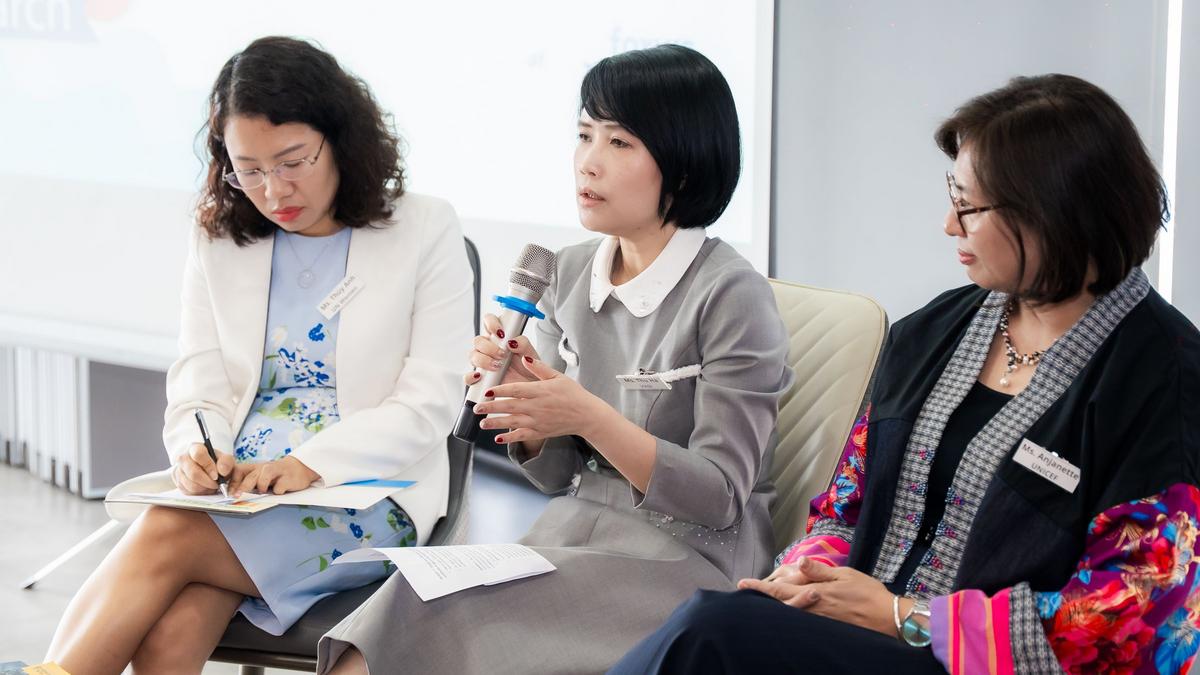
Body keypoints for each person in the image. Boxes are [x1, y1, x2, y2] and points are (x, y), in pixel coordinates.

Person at [611, 73, 1200, 675]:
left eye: (969, 206)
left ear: (1053, 212)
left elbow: (1136, 622)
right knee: (720, 628)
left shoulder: (1167, 380)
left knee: (710, 633)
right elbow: (844, 506)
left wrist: (907, 618)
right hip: (867, 641)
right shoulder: (931, 333)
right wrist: (810, 575)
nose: (949, 224)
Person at [318, 44, 794, 675]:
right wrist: (526, 401)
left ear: (682, 167)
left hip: (686, 562)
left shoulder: (731, 294)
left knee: (437, 619)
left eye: (619, 143)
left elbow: (721, 496)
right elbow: (555, 475)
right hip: (570, 536)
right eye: (584, 135)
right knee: (407, 600)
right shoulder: (568, 272)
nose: (588, 162)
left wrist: (586, 415)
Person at [46, 36, 473, 675]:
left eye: (292, 161)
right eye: (248, 170)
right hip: (241, 489)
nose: (273, 190)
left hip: (364, 489)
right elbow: (200, 379)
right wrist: (196, 450)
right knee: (170, 632)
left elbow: (430, 403)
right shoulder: (218, 238)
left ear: (340, 139)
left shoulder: (424, 227)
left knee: (165, 532)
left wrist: (307, 464)